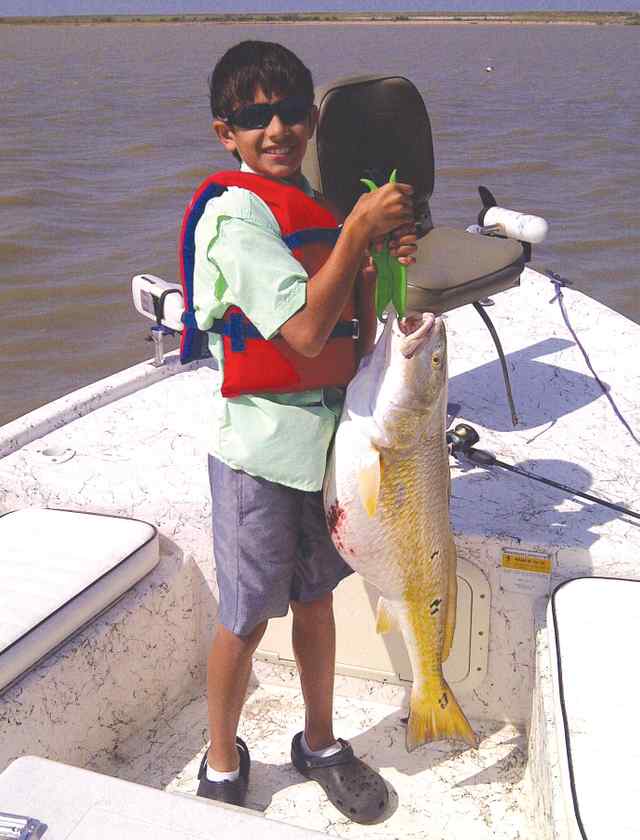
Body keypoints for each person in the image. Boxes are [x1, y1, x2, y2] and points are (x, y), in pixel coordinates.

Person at [191, 40, 416, 823]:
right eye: (256, 118)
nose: (277, 130)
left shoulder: (317, 210)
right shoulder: (234, 216)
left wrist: (381, 260)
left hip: (326, 449)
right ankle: (222, 758)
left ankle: (319, 742)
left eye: (290, 112)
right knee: (246, 616)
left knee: (317, 601)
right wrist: (355, 229)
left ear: (315, 119)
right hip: (257, 457)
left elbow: (357, 324)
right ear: (228, 132)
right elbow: (308, 334)